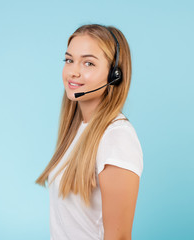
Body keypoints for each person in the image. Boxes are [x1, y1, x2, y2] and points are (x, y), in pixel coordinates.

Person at [35, 24, 143, 240]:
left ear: (115, 74)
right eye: (69, 60)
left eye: (88, 63)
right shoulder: (78, 129)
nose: (73, 71)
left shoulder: (116, 137)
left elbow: (119, 238)